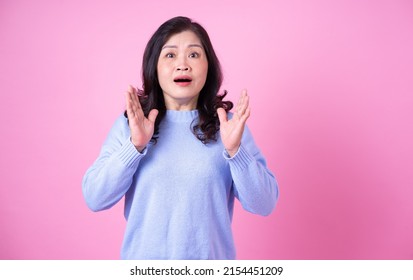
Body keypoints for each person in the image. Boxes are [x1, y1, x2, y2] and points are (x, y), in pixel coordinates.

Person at [82, 16, 279, 260]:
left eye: (194, 55)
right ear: (154, 65)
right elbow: (95, 197)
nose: (183, 65)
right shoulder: (131, 125)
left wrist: (236, 152)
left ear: (209, 66)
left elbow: (264, 204)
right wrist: (134, 147)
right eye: (170, 55)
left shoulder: (228, 127)